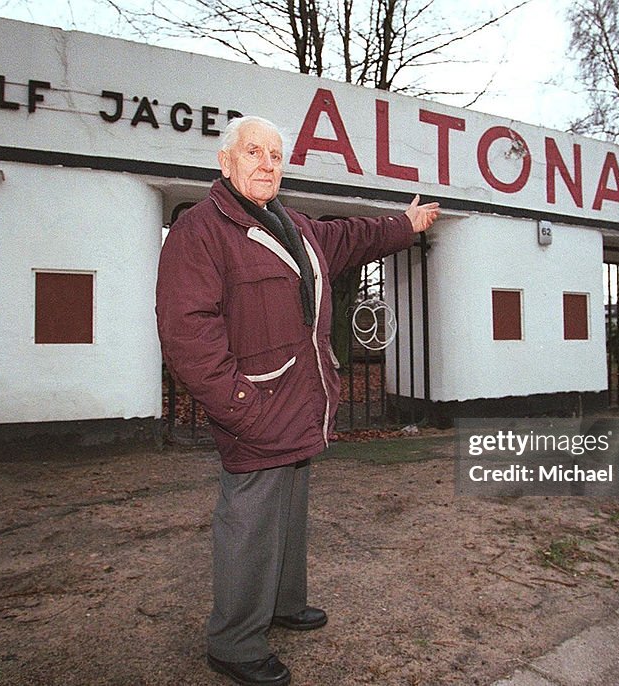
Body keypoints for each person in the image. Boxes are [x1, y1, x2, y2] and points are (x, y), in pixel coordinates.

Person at [155, 115, 439, 686]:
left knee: (288, 515)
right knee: (250, 522)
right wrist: (241, 407)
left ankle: (282, 604)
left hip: (298, 403)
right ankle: (234, 642)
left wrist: (404, 224)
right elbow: (187, 333)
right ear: (225, 161)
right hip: (255, 408)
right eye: (254, 151)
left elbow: (350, 238)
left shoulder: (291, 224)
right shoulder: (201, 231)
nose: (267, 163)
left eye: (276, 155)